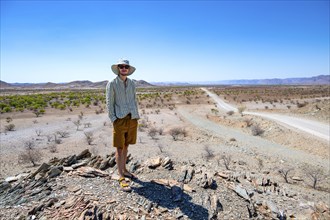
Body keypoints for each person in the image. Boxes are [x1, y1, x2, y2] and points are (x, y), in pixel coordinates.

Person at [106, 58, 140, 192]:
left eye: (126, 67)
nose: (124, 69)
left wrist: (136, 115)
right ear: (118, 69)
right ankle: (120, 176)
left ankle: (124, 170)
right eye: (121, 67)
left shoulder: (132, 83)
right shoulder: (112, 83)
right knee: (119, 148)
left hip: (132, 118)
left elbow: (134, 99)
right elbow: (109, 102)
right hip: (119, 119)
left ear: (129, 69)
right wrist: (113, 119)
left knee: (126, 145)